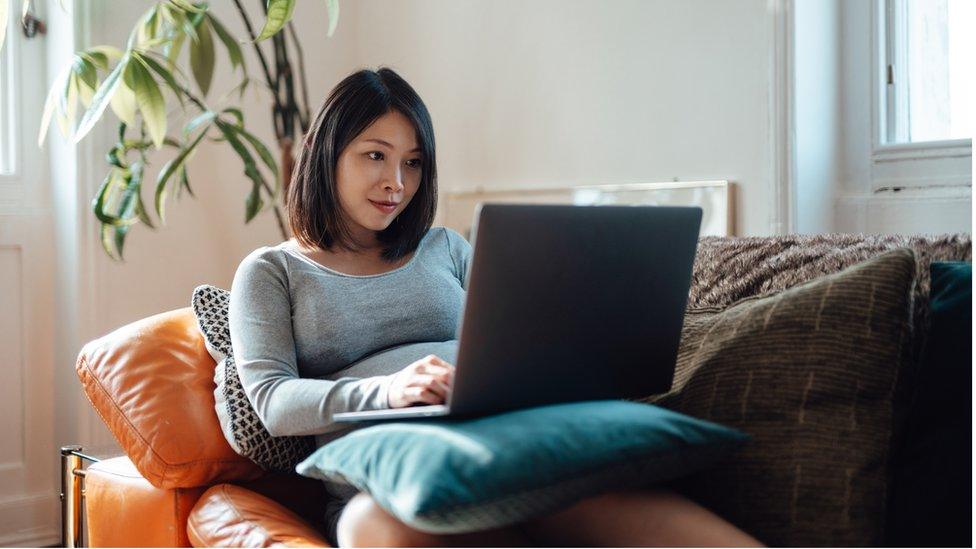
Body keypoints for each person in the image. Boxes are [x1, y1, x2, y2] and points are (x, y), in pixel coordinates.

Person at [229, 67, 762, 547]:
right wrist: (388, 390)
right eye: (376, 155)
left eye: (413, 163)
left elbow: (506, 346)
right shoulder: (273, 271)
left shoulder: (445, 249)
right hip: (393, 483)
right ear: (326, 153)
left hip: (506, 450)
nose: (397, 182)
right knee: (372, 528)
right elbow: (273, 401)